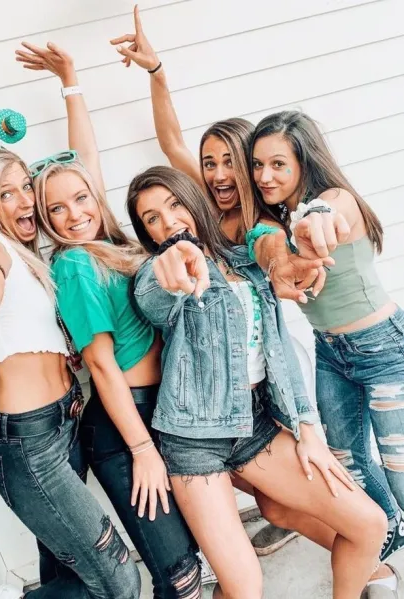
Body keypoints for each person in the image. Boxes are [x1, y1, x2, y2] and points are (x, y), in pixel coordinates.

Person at [110, 4, 323, 556]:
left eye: (231, 162)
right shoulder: (199, 204)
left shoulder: (258, 222)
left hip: (272, 343)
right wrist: (157, 73)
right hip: (214, 369)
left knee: (300, 453)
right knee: (258, 474)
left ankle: (348, 541)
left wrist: (282, 259)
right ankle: (274, 513)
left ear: (251, 167)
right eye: (210, 163)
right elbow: (171, 139)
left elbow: (271, 248)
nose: (219, 173)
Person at [126, 164, 387, 599]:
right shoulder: (160, 275)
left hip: (256, 427)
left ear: (194, 201)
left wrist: (307, 428)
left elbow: (279, 349)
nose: (168, 221)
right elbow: (155, 294)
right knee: (245, 589)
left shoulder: (244, 263)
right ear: (147, 233)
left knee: (369, 525)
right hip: (193, 442)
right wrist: (173, 261)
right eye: (152, 217)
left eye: (174, 205)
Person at [17, 40, 203, 598]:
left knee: (190, 558)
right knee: (180, 573)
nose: (74, 214)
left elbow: (84, 165)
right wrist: (141, 449)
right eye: (56, 209)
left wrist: (70, 80)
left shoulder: (109, 245)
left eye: (82, 199)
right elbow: (100, 365)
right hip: (126, 427)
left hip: (162, 410)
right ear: (44, 220)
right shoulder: (75, 264)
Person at [0, 145, 141, 599]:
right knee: (119, 582)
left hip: (64, 422)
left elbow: (87, 167)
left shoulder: (31, 258)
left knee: (71, 575)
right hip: (30, 445)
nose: (27, 201)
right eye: (7, 193)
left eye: (27, 186)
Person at [248, 109, 404, 595]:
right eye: (257, 165)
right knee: (348, 462)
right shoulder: (272, 221)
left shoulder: (335, 200)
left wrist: (314, 224)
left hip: (383, 348)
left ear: (304, 161)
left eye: (278, 164)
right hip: (331, 353)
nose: (264, 175)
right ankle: (387, 538)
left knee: (400, 471)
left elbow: (323, 216)